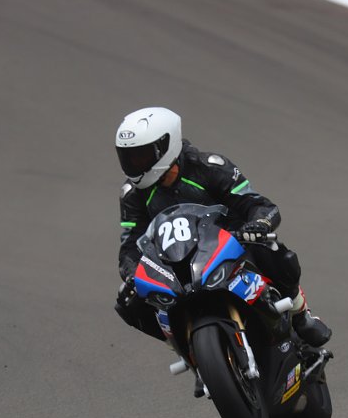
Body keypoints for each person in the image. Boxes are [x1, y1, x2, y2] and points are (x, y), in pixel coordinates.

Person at [113, 106, 331, 353]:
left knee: (271, 248)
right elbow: (131, 244)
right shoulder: (133, 194)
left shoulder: (209, 167)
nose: (132, 165)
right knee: (128, 301)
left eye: (140, 156)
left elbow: (259, 205)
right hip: (177, 264)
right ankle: (190, 351)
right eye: (127, 157)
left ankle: (300, 314)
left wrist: (258, 224)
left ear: (166, 146)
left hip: (230, 247)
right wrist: (131, 272)